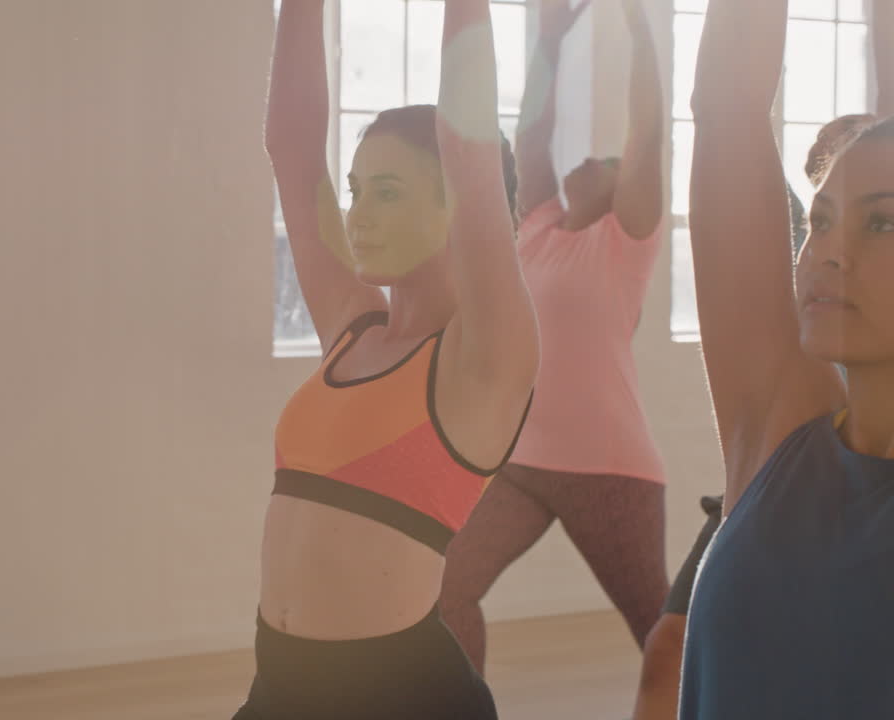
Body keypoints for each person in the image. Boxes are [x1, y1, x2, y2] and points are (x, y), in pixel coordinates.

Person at [234, 0, 539, 717]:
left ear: (454, 207)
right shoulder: (354, 326)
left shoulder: (484, 361)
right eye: (356, 191)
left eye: (389, 192)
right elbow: (293, 147)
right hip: (279, 687)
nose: (357, 216)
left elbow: (470, 154)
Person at [440, 0, 669, 672]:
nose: (586, 161)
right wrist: (545, 41)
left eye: (604, 160)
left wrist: (638, 31)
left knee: (660, 631)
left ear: (620, 185)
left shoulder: (626, 242)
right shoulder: (536, 227)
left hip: (610, 471)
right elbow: (530, 132)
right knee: (444, 590)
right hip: (518, 463)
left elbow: (648, 134)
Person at [680, 0, 894, 714]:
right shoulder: (781, 422)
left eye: (881, 221)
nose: (830, 248)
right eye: (823, 218)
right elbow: (727, 106)